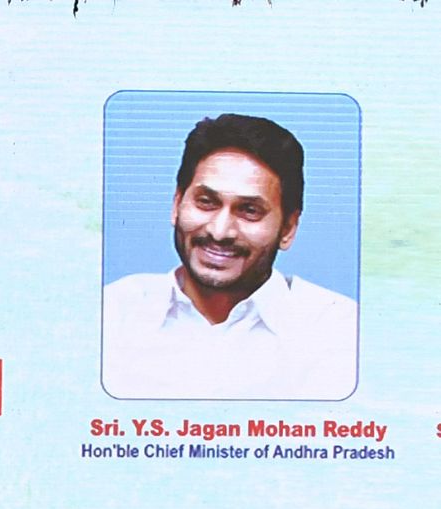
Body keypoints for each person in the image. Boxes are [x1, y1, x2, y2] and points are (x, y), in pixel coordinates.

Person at [102, 112, 356, 400]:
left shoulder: (340, 331)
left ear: (288, 228)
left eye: (250, 210)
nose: (220, 231)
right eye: (206, 202)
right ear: (177, 204)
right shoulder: (111, 313)